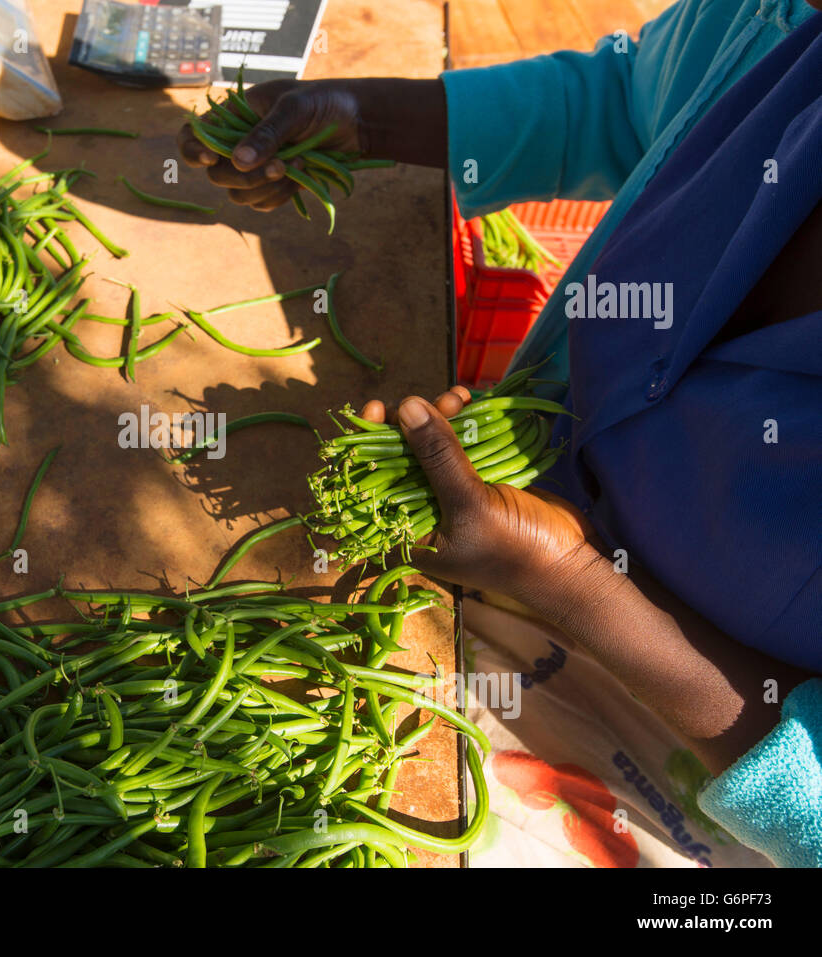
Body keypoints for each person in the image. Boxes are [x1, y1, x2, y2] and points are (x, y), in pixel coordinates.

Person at [179, 0, 821, 867]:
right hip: (515, 531)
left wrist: (575, 581)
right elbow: (626, 102)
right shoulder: (781, 20)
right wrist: (367, 118)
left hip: (695, 754)